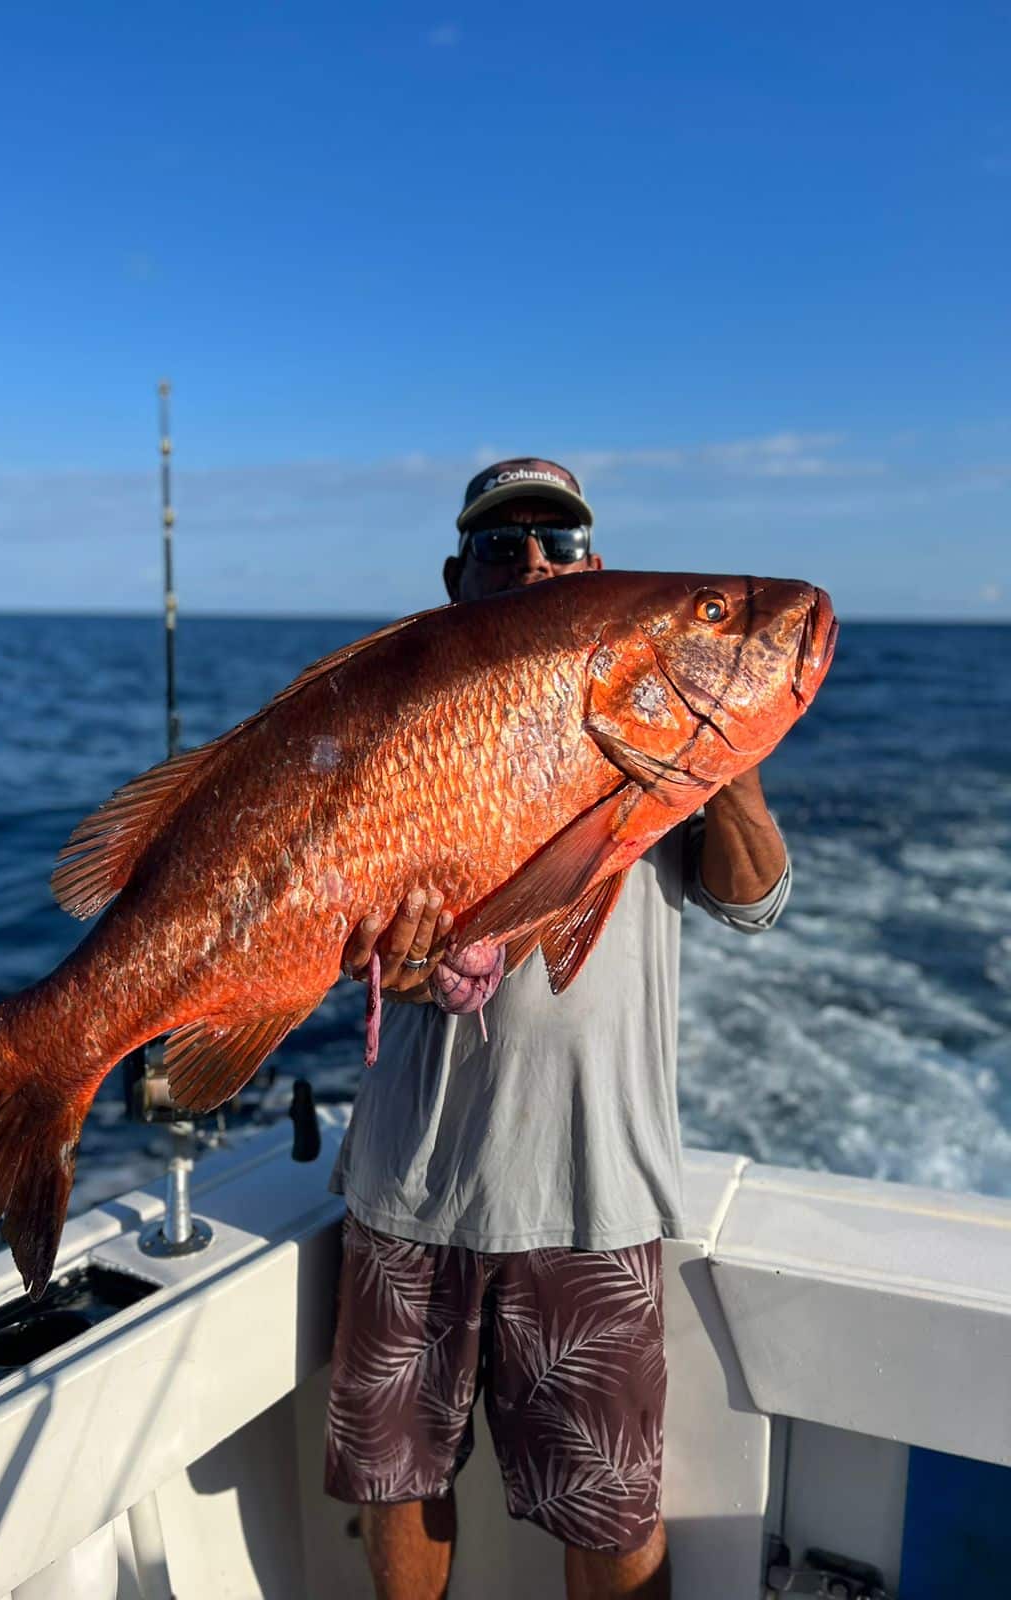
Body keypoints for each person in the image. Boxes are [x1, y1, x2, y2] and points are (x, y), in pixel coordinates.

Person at [326, 458, 790, 1600]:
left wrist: (722, 759)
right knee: (397, 1486)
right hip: (409, 1183)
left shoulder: (638, 705)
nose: (533, 557)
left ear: (594, 566)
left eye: (561, 542)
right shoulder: (403, 726)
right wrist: (390, 950)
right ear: (455, 578)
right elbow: (340, 909)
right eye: (500, 543)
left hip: (593, 1191)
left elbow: (754, 899)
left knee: (612, 1508)